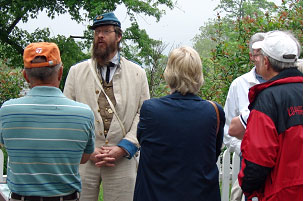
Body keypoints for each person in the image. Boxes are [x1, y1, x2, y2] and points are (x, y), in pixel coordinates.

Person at [64, 12, 150, 201]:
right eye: (96, 32)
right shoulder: (76, 72)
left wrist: (124, 147)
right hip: (85, 158)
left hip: (121, 158)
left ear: (118, 36)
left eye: (105, 31)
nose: (99, 36)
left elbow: (143, 115)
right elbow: (67, 115)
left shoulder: (138, 73)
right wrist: (87, 149)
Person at [0, 42, 95, 201]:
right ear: (60, 73)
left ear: (25, 75)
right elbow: (84, 158)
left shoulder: (7, 110)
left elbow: (7, 145)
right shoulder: (83, 113)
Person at [133, 46, 225, 201]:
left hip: (156, 194)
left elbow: (143, 141)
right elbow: (213, 152)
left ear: (169, 73)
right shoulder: (214, 111)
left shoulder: (150, 109)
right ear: (198, 74)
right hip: (200, 194)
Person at [238, 30, 303, 201]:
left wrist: (247, 186)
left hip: (280, 192)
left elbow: (258, 157)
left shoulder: (268, 98)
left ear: (266, 62)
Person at [223, 33, 266, 201]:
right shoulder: (239, 84)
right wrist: (245, 150)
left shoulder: (280, 85)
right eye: (257, 54)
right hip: (247, 161)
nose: (261, 58)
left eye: (264, 53)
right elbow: (228, 129)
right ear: (251, 57)